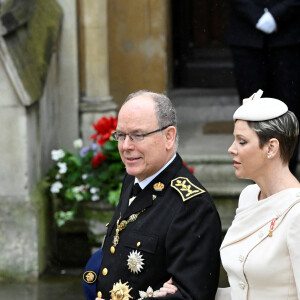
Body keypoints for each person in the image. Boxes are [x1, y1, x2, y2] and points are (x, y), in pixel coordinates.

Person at [159, 89, 300, 299]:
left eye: (242, 141)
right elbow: (243, 289)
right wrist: (186, 292)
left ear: (271, 147)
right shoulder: (249, 196)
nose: (231, 149)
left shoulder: (297, 213)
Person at [83, 90, 222, 300]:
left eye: (138, 135)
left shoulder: (193, 206)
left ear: (169, 136)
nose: (126, 146)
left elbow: (192, 296)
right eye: (121, 135)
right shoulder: (134, 177)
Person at [226, 0, 300, 174]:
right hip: (247, 36)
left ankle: (286, 172)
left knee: (288, 110)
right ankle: (255, 173)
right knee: (252, 110)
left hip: (289, 38)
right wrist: (255, 15)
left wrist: (277, 15)